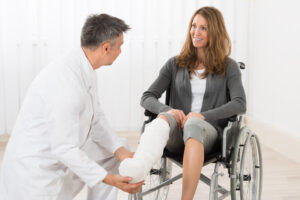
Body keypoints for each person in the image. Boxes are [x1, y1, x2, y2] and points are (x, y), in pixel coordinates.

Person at [0, 13, 143, 200]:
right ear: (106, 48)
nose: (121, 51)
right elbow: (64, 148)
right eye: (121, 46)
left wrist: (122, 152)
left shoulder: (84, 68)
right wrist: (108, 179)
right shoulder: (66, 85)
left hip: (58, 154)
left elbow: (96, 118)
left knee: (115, 150)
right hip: (35, 176)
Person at [120, 6, 246, 200]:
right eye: (194, 26)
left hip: (208, 136)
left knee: (194, 123)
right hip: (178, 135)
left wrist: (203, 116)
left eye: (203, 28)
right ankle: (139, 165)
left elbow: (240, 103)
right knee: (163, 117)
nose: (196, 32)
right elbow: (147, 97)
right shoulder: (175, 64)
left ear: (215, 31)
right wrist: (169, 110)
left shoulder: (229, 67)